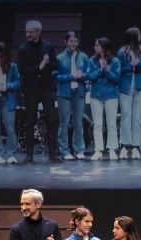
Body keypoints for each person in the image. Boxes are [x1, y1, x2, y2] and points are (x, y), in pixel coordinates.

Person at [17, 20, 61, 163]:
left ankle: (53, 153)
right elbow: (22, 70)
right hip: (31, 90)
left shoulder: (48, 46)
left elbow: (56, 65)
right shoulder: (23, 49)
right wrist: (39, 67)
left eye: (30, 32)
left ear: (38, 32)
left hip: (47, 88)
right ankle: (29, 154)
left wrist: (48, 63)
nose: (27, 34)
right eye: (26, 32)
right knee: (30, 122)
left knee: (52, 121)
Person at [85, 37, 120, 161]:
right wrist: (101, 70)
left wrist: (107, 71)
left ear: (103, 48)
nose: (94, 47)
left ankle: (112, 150)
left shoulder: (115, 61)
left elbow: (117, 79)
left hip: (111, 95)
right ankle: (98, 150)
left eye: (97, 45)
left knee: (111, 124)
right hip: (96, 96)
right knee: (98, 125)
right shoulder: (92, 61)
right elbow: (89, 77)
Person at [55, 31, 89, 160]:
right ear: (66, 42)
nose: (73, 43)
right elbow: (56, 77)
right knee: (64, 123)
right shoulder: (60, 58)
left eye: (75, 41)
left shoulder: (83, 57)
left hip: (79, 92)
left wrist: (83, 75)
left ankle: (79, 149)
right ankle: (64, 151)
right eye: (71, 41)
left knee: (78, 123)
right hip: (64, 93)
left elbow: (88, 74)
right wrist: (71, 76)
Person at [117, 27, 141, 160]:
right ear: (134, 36)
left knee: (137, 119)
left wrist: (138, 63)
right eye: (139, 34)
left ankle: (136, 147)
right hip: (125, 88)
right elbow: (118, 70)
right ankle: (124, 146)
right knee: (126, 118)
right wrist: (130, 64)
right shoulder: (121, 52)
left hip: (140, 88)